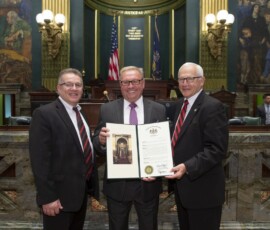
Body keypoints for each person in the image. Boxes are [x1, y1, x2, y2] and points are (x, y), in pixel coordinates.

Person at [92, 66, 166, 230]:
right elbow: (97, 142)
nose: (130, 86)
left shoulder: (158, 110)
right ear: (120, 84)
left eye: (135, 81)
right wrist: (101, 141)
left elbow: (162, 146)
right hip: (118, 185)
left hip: (148, 184)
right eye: (126, 82)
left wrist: (158, 169)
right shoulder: (107, 109)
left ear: (143, 83)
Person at [29, 68, 95, 230]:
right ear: (58, 88)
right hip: (57, 199)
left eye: (78, 85)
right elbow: (40, 161)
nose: (74, 88)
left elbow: (83, 149)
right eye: (69, 84)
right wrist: (48, 198)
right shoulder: (44, 114)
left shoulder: (81, 113)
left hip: (79, 196)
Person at [166, 62, 229, 230]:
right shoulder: (178, 106)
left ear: (202, 81)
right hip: (183, 190)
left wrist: (187, 166)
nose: (185, 83)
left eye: (190, 79)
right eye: (181, 79)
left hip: (204, 191)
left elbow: (217, 150)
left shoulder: (213, 107)